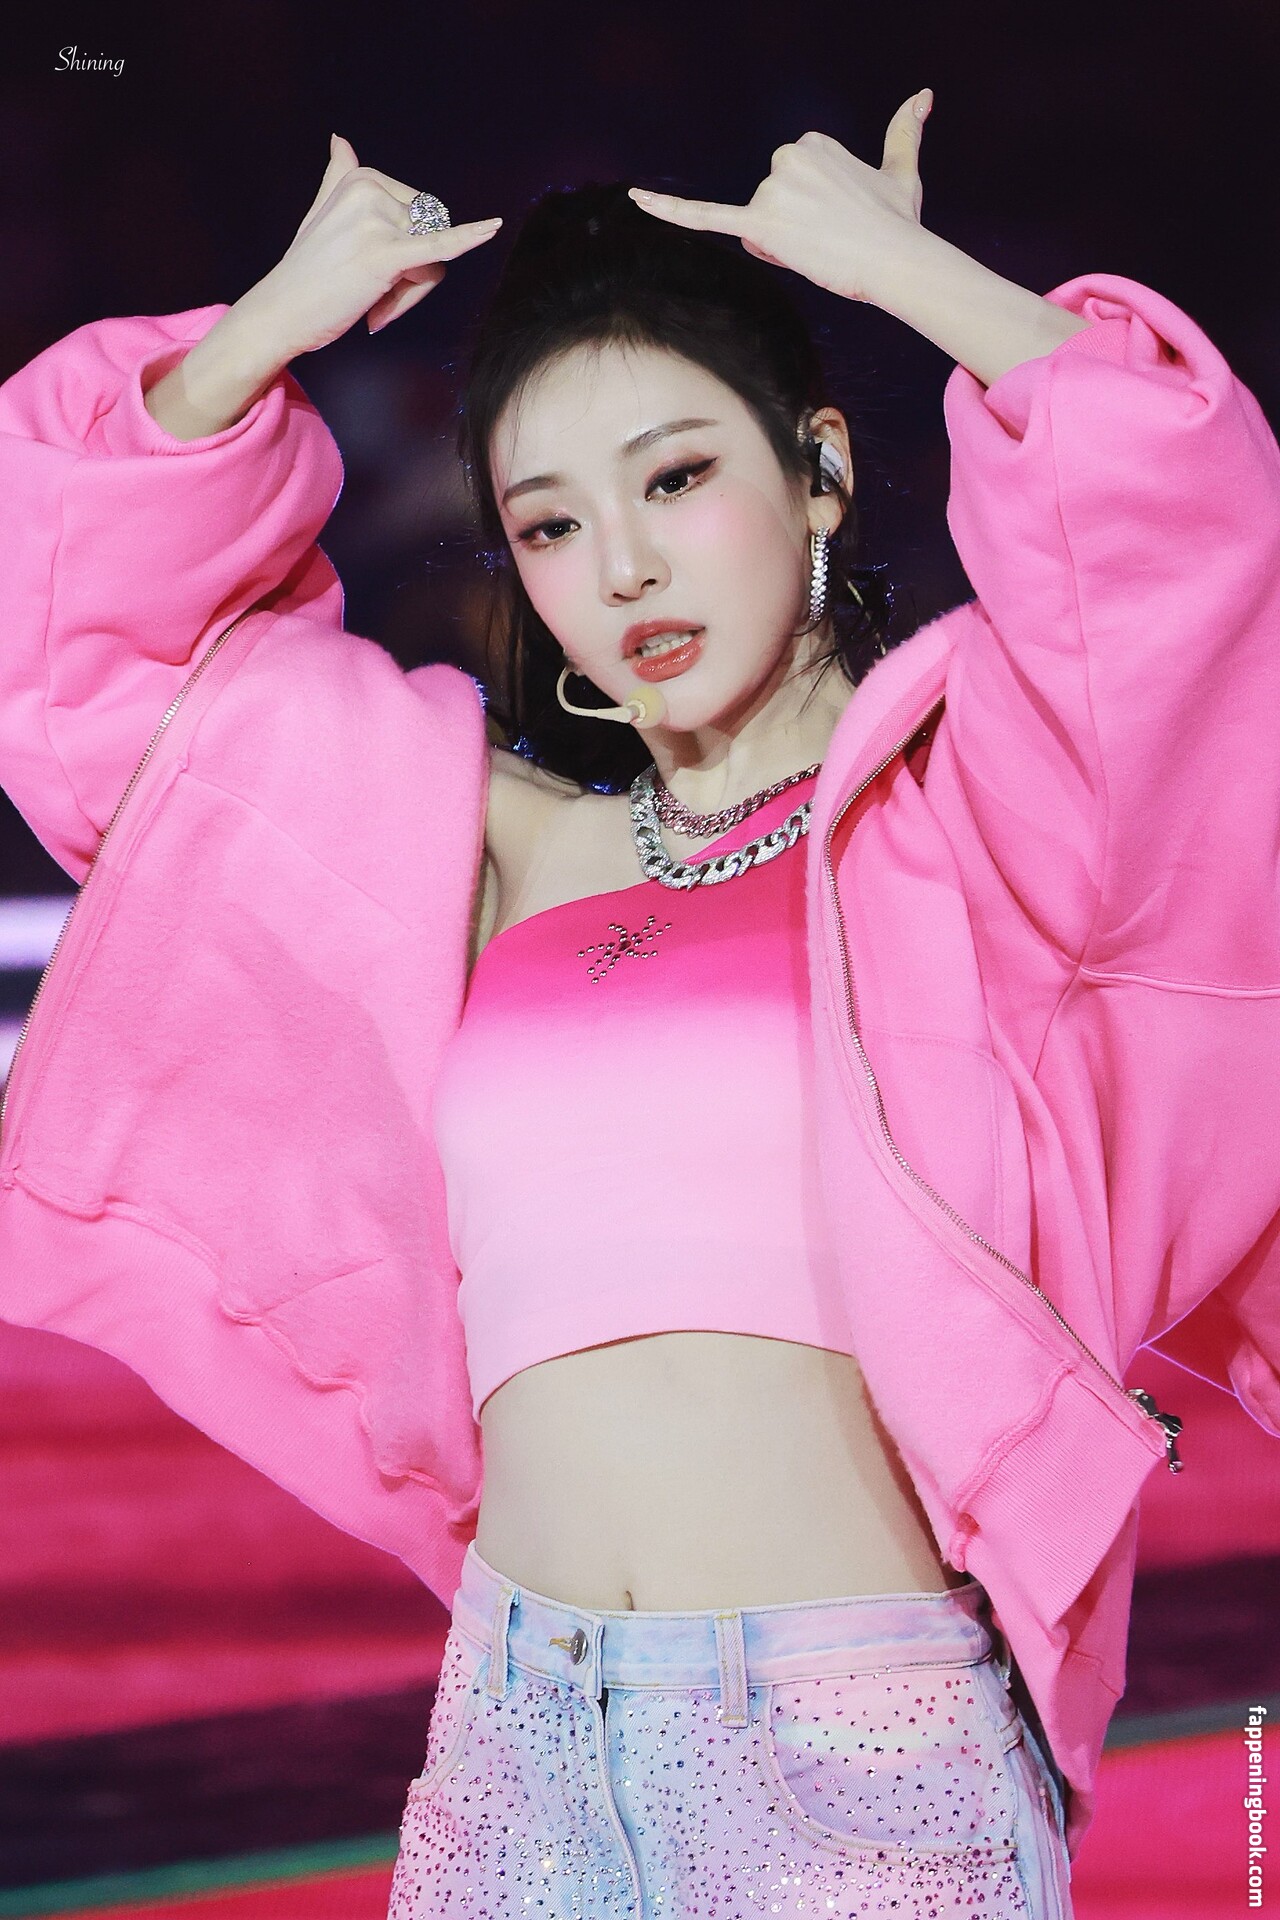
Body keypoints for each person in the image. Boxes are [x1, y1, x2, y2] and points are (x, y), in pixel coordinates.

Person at [1, 90, 1277, 1920]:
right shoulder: (477, 846)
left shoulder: (982, 826)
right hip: (514, 1747)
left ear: (819, 468)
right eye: (548, 522)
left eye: (676, 479)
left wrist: (908, 273)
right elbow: (76, 657)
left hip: (858, 1749)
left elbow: (1189, 540)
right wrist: (264, 330)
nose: (621, 568)